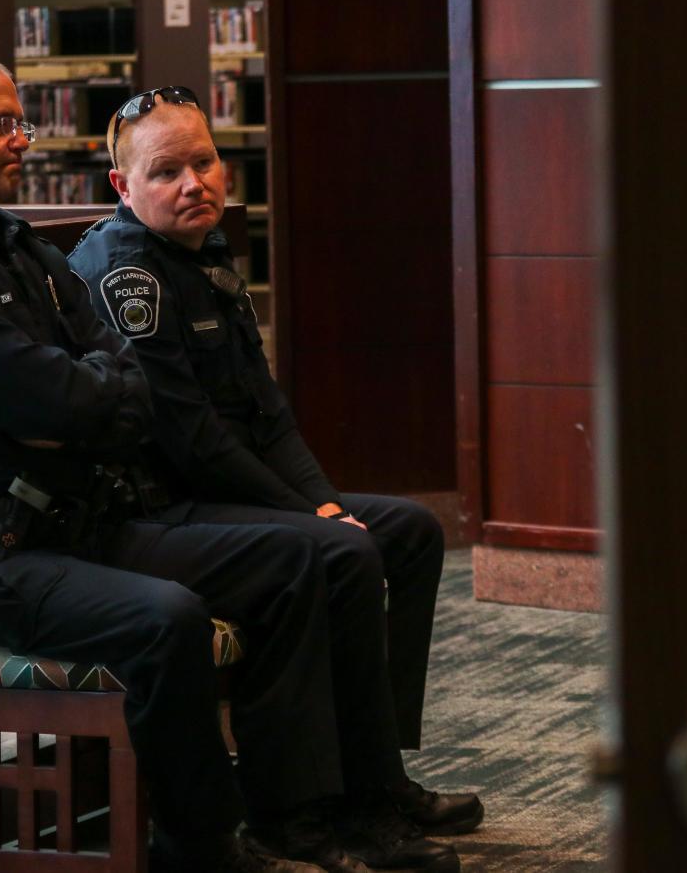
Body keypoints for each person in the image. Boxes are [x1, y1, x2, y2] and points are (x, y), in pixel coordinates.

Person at [0, 49, 459, 873]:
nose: (21, 139)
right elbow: (51, 400)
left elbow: (116, 387)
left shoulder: (19, 247)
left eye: (20, 121)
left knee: (302, 554)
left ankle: (302, 810)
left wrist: (81, 400)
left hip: (71, 527)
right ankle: (201, 848)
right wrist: (80, 399)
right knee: (166, 618)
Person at [67, 87, 484, 851]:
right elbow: (191, 439)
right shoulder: (126, 275)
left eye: (204, 161)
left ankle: (376, 774)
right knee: (341, 548)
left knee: (410, 532)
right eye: (166, 172)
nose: (194, 183)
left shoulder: (206, 252)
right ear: (122, 188)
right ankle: (312, 803)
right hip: (156, 510)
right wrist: (318, 520)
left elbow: (266, 413)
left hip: (218, 495)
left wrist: (323, 501)